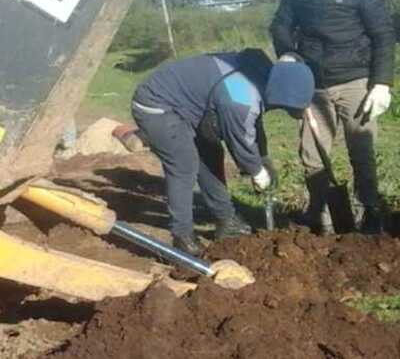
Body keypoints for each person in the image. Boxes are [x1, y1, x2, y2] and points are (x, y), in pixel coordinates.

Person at [270, 0, 396, 234]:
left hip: (356, 81)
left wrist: (382, 83)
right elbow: (280, 23)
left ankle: (370, 211)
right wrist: (287, 52)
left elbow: (383, 36)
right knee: (312, 155)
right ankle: (320, 214)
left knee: (361, 149)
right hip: (312, 83)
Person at [131, 49, 315, 256]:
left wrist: (263, 158)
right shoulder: (240, 98)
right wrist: (256, 170)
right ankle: (182, 237)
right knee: (184, 166)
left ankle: (226, 220)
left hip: (190, 105)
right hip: (157, 106)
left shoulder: (261, 74)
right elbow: (239, 141)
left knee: (210, 156)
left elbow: (254, 124)